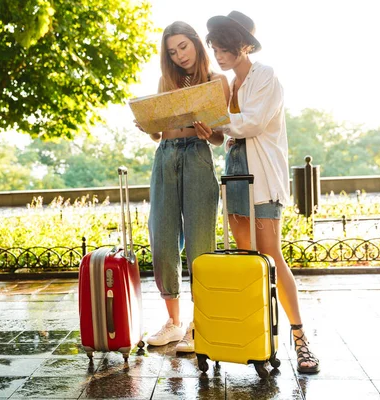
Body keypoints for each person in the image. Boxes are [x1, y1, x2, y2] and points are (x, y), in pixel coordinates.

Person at [198, 11, 320, 373]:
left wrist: (219, 121)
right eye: (215, 49)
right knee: (248, 258)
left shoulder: (265, 75)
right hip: (235, 172)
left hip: (262, 176)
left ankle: (300, 339)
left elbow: (252, 123)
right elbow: (231, 137)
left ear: (243, 45)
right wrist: (211, 131)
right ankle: (255, 339)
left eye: (224, 48)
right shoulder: (229, 85)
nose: (219, 55)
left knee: (270, 256)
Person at [136, 21, 230, 353]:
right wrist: (147, 125)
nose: (179, 56)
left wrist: (209, 132)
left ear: (196, 44)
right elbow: (158, 134)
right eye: (172, 52)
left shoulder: (217, 81)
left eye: (183, 47)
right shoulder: (167, 81)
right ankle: (173, 323)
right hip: (166, 156)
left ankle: (198, 326)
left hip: (198, 157)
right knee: (161, 239)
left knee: (200, 245)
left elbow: (221, 137)